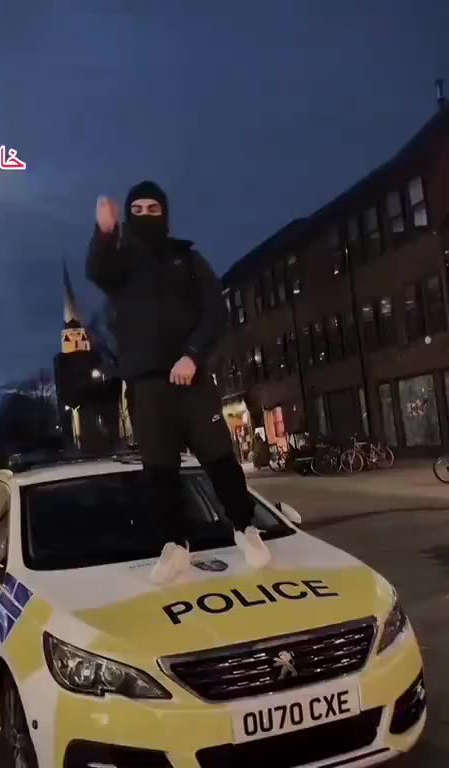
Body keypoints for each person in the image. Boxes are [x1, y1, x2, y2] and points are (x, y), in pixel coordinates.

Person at [87, 180, 271, 583]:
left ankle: (245, 528)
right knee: (160, 469)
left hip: (192, 379)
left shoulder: (187, 260)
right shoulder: (121, 262)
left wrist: (193, 354)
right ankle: (174, 545)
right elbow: (97, 272)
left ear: (165, 214)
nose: (147, 216)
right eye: (139, 210)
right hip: (147, 383)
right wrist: (104, 231)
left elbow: (215, 312)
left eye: (155, 209)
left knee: (219, 458)